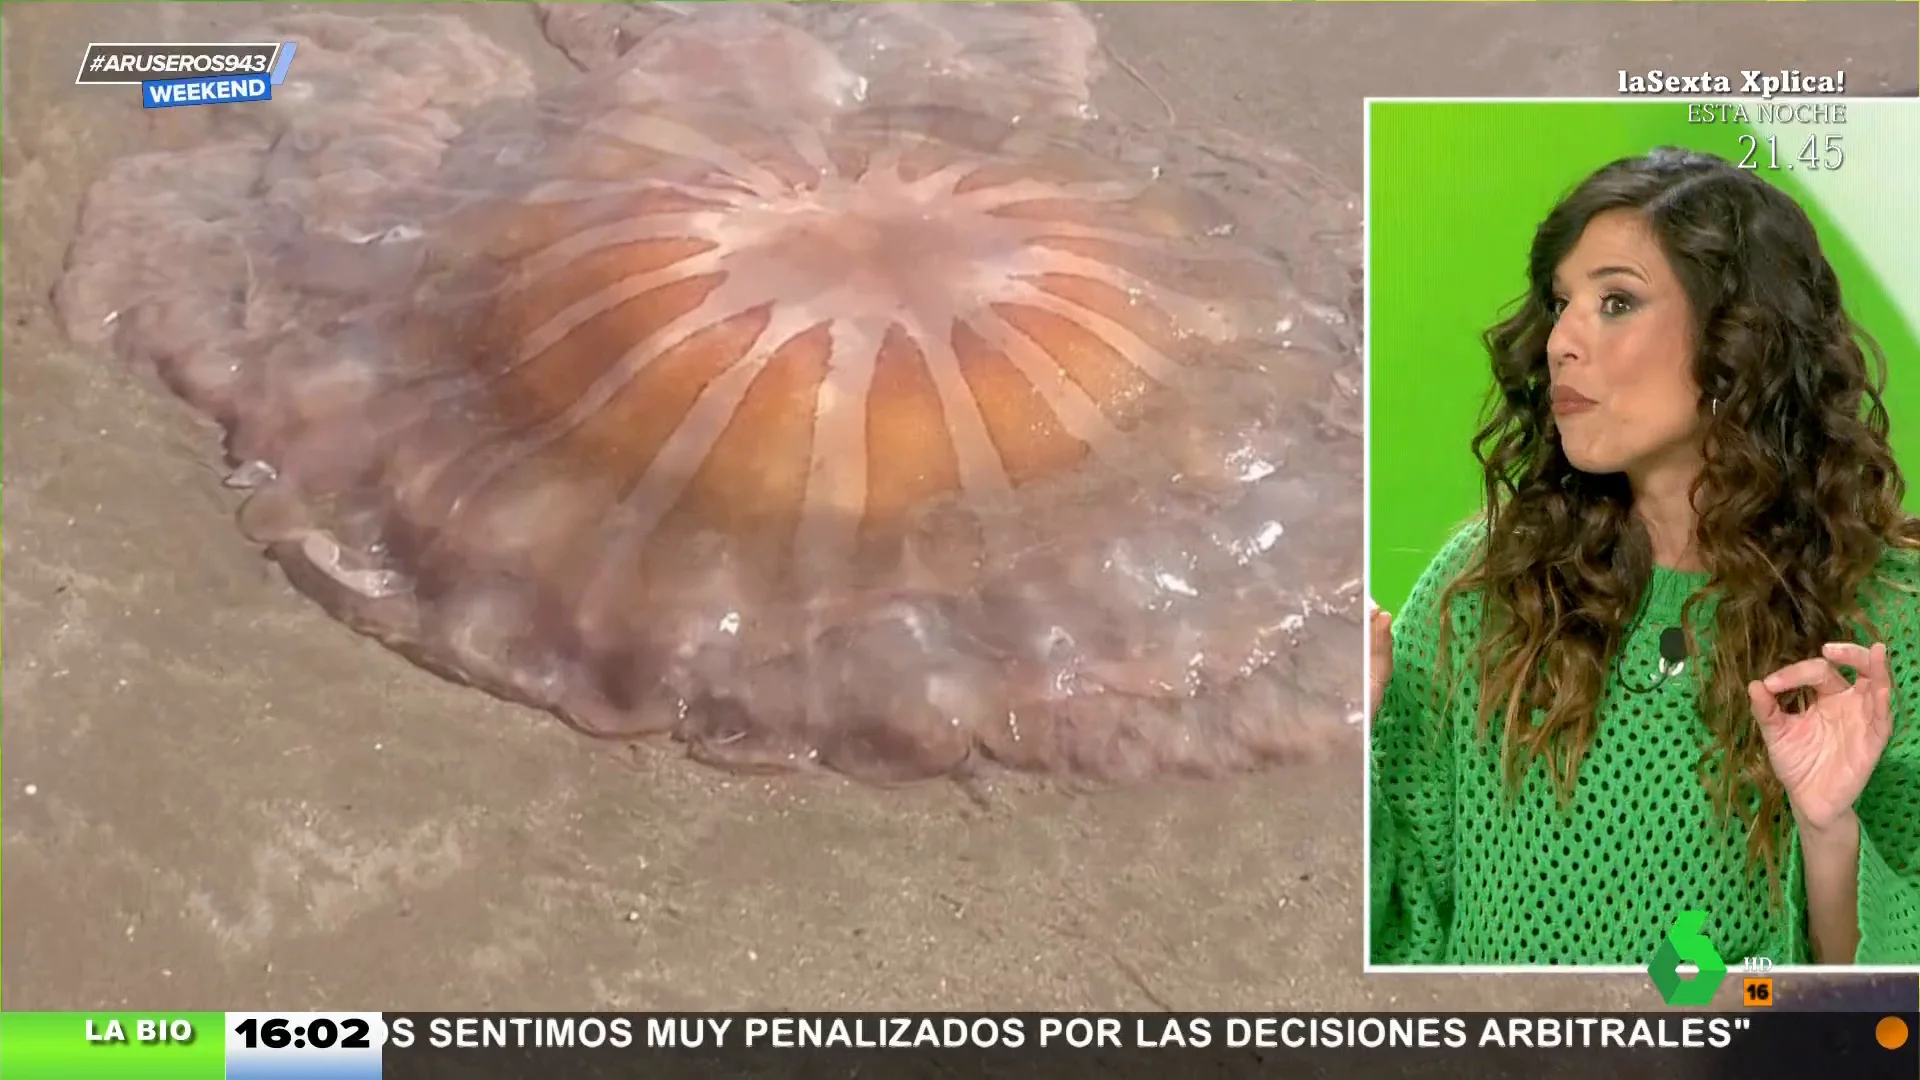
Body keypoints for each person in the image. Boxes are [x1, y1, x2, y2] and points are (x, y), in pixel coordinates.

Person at [1368, 146, 1920, 966]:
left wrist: (1829, 831)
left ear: (1742, 342)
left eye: (1617, 301)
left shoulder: (1884, 625)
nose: (1560, 341)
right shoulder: (1480, 583)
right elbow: (1397, 922)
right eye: (1561, 304)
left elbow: (1882, 1018)